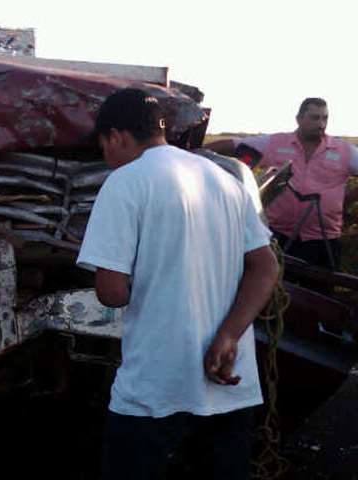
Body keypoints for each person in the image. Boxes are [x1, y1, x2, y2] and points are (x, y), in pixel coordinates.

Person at [76, 88, 279, 480]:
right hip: (229, 377)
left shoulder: (125, 183)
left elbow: (111, 293)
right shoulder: (223, 180)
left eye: (103, 145)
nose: (105, 156)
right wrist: (226, 336)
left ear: (116, 135)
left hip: (157, 382)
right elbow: (265, 268)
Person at [205, 98, 358, 270]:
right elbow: (233, 145)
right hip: (277, 236)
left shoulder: (343, 150)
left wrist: (348, 200)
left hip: (323, 240)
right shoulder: (275, 143)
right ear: (299, 119)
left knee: (319, 293)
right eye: (315, 118)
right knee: (277, 289)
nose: (321, 124)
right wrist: (190, 155)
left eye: (325, 118)